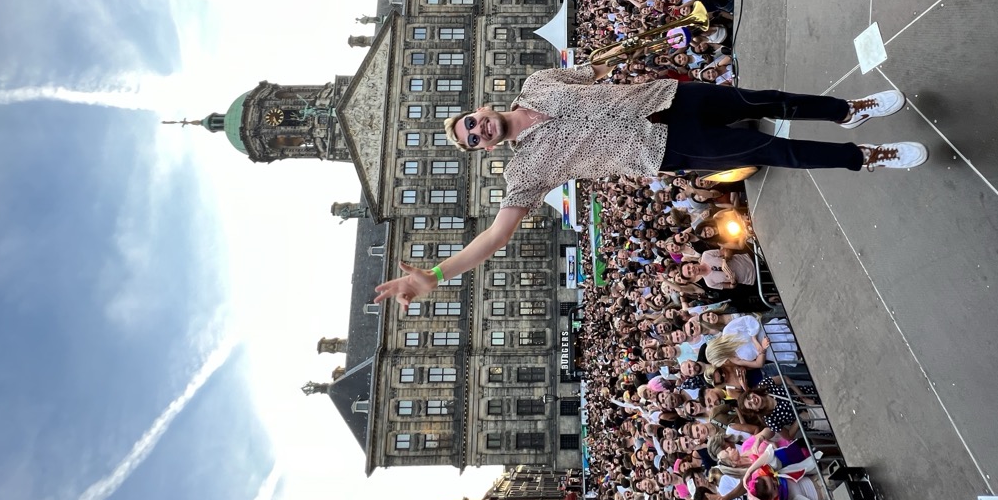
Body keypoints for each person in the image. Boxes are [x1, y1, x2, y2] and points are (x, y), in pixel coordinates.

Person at [374, 63, 925, 310]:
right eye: (474, 140)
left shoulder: (538, 82)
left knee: (764, 99)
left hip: (666, 99)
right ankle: (865, 156)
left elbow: (591, 73)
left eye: (473, 122)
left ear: (481, 111)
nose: (479, 130)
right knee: (769, 151)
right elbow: (495, 237)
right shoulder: (525, 172)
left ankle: (849, 110)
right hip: (661, 151)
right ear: (486, 150)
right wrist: (438, 274)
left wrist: (609, 69)